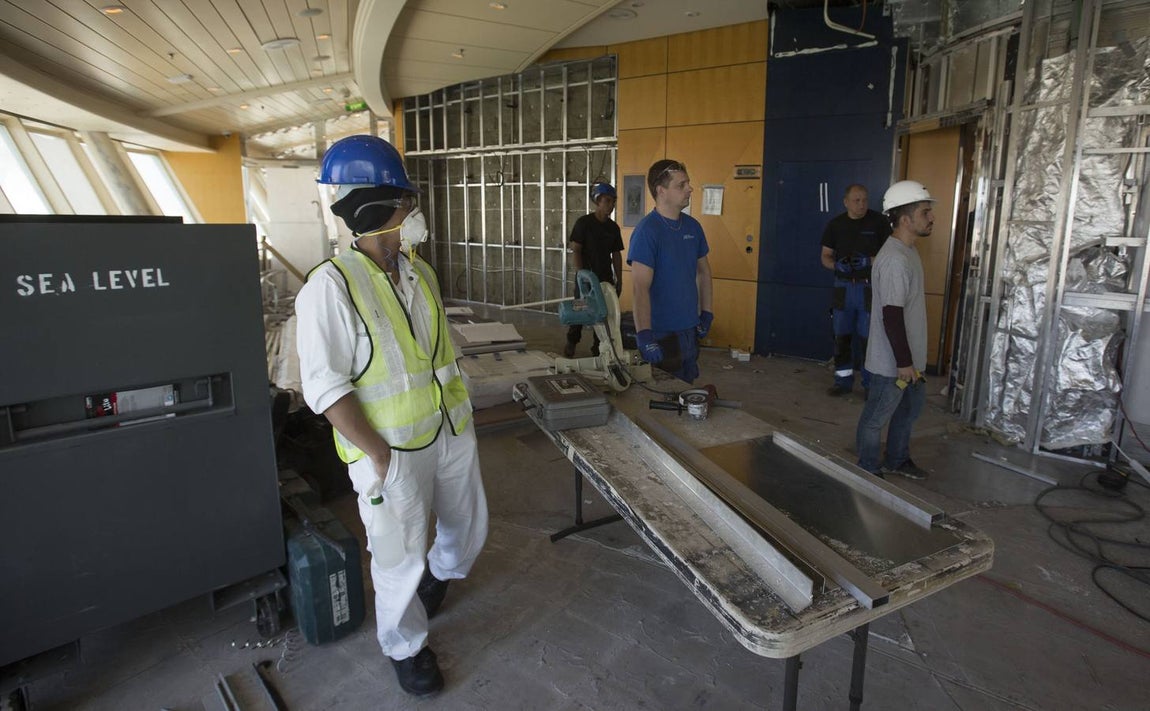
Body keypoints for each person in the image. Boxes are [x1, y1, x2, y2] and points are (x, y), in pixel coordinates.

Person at [295, 135, 488, 697]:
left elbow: (438, 356)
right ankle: (406, 647)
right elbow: (325, 389)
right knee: (398, 559)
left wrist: (464, 419)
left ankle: (442, 575)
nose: (414, 215)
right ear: (377, 209)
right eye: (406, 205)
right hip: (391, 452)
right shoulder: (328, 289)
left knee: (468, 532)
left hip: (450, 433)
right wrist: (376, 453)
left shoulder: (419, 273)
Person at [856, 180, 935, 480]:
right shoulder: (894, 260)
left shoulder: (909, 252)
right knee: (876, 417)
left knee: (908, 412)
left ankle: (897, 459)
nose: (931, 218)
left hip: (910, 360)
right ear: (905, 219)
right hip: (892, 363)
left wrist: (912, 362)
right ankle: (867, 467)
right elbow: (891, 314)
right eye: (925, 212)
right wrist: (903, 362)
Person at [627, 159, 714, 384]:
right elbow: (640, 288)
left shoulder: (693, 227)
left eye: (688, 183)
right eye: (681, 185)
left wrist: (706, 312)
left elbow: (703, 272)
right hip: (662, 333)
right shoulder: (647, 231)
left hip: (689, 329)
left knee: (687, 387)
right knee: (665, 395)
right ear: (661, 191)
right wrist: (644, 335)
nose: (690, 189)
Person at [820, 184, 890, 397]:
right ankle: (843, 381)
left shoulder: (879, 223)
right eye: (857, 200)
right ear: (846, 202)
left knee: (868, 338)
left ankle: (870, 384)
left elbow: (891, 255)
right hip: (842, 288)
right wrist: (836, 265)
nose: (861, 205)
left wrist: (868, 261)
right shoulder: (835, 225)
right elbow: (825, 256)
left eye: (864, 200)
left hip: (868, 287)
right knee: (841, 336)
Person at [564, 182, 624, 358]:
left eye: (613, 201)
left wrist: (618, 278)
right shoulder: (584, 223)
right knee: (580, 311)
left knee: (604, 315)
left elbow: (616, 255)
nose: (610, 205)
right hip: (586, 278)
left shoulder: (613, 228)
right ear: (597, 201)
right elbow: (576, 249)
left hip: (605, 278)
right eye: (607, 200)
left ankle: (598, 348)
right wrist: (581, 275)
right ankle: (572, 341)